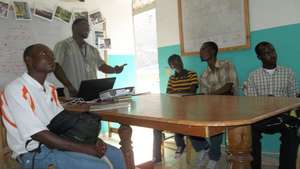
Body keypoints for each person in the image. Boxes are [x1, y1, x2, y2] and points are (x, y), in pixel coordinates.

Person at [0, 44, 126, 169]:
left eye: (51, 55)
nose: (51, 58)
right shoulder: (15, 89)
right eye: (44, 54)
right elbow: (38, 134)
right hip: (35, 152)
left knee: (116, 155)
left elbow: (64, 124)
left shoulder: (50, 88)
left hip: (57, 143)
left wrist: (92, 140)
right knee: (100, 167)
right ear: (29, 60)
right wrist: (85, 148)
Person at [245, 41, 299, 169]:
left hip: (283, 116)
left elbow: (294, 100)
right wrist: (265, 100)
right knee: (249, 131)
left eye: (273, 51)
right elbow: (251, 101)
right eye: (267, 53)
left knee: (292, 130)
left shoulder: (288, 73)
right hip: (261, 116)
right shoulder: (253, 76)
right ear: (259, 57)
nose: (273, 55)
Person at [53, 18, 126, 97]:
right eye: (84, 25)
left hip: (93, 95)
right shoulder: (63, 45)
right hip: (74, 96)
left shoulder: (92, 49)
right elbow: (56, 66)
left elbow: (102, 66)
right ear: (74, 28)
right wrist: (69, 87)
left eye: (88, 27)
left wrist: (115, 70)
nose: (88, 29)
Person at [197, 41, 239, 169]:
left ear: (213, 51)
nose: (200, 52)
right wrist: (208, 98)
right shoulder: (203, 75)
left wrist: (212, 95)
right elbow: (205, 95)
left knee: (216, 118)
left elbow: (229, 86)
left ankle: (214, 156)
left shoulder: (227, 64)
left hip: (230, 104)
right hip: (212, 105)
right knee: (190, 120)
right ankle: (203, 147)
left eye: (203, 49)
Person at [153, 54, 199, 162]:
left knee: (180, 119)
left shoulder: (192, 74)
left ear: (181, 61)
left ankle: (180, 144)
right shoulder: (172, 78)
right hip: (176, 108)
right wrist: (181, 93)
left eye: (177, 60)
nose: (176, 63)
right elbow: (169, 94)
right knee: (156, 125)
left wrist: (177, 93)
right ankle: (157, 156)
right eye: (173, 63)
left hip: (190, 108)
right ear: (171, 66)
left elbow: (192, 91)